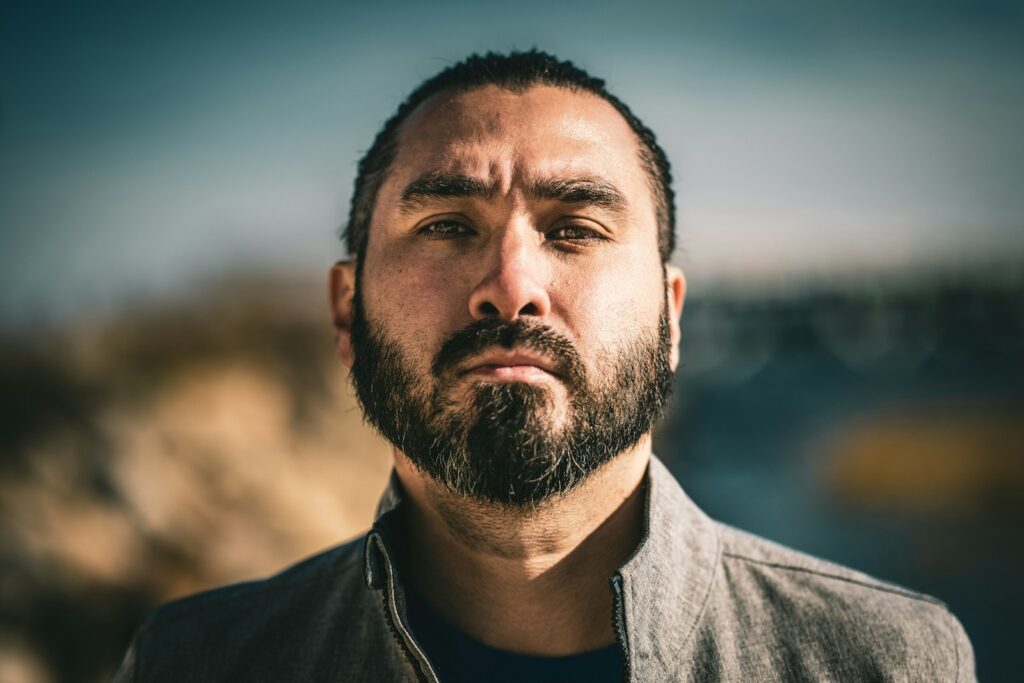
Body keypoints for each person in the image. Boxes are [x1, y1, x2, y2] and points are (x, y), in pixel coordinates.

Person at [113, 50, 975, 682]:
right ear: (348, 308)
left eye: (575, 230)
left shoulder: (887, 660)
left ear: (671, 316)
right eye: (448, 225)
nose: (511, 287)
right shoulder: (196, 663)